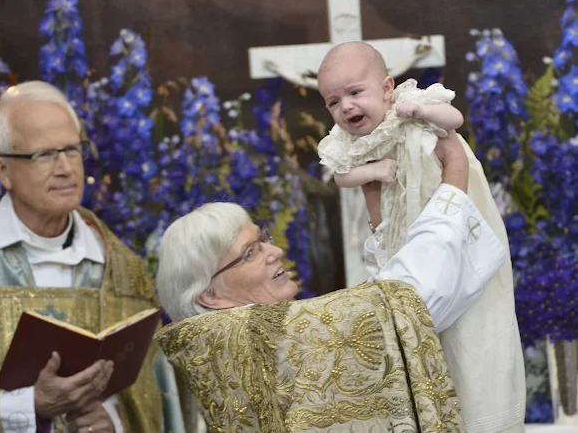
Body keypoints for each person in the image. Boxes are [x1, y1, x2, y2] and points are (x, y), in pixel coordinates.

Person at [155, 131, 506, 432]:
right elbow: (404, 305)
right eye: (249, 253)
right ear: (211, 295)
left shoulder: (218, 345)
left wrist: (380, 223)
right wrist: (455, 177)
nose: (273, 252)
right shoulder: (253, 335)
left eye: (262, 239)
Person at [316, 41, 526, 433]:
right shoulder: (351, 143)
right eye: (333, 101)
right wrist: (374, 172)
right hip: (408, 234)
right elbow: (343, 176)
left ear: (386, 88)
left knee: (476, 326)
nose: (345, 107)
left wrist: (422, 111)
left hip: (456, 220)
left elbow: (454, 118)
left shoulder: (410, 106)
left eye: (355, 92)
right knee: (426, 331)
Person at [0, 81, 185, 433]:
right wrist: (30, 407)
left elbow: (157, 393)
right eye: (44, 154)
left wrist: (115, 424)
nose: (65, 168)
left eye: (73, 150)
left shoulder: (123, 270)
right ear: (2, 170)